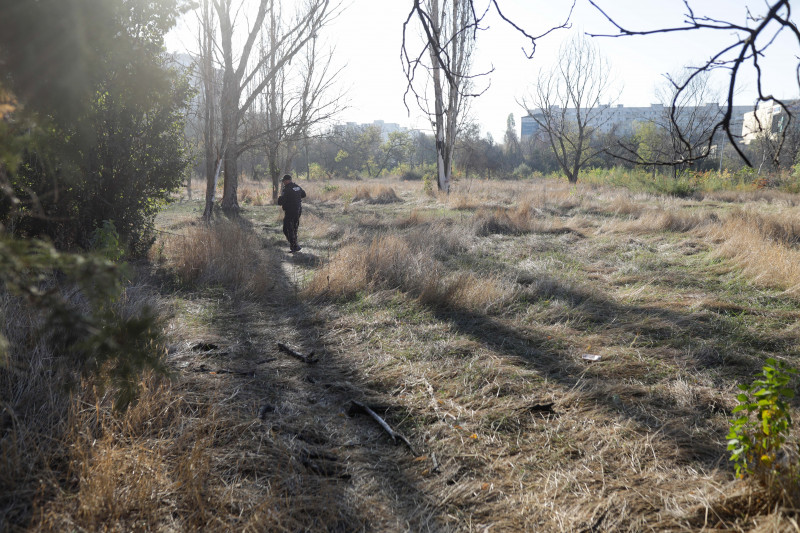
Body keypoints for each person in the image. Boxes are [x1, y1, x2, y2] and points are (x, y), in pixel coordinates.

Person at [277, 174, 306, 253]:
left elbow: (281, 201)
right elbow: (303, 194)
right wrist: (295, 196)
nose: (283, 182)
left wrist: (279, 199)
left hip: (290, 211)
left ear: (287, 180)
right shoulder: (297, 186)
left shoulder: (286, 189)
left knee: (286, 229)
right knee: (294, 228)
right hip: (298, 210)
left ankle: (295, 246)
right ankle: (294, 246)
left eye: (284, 181)